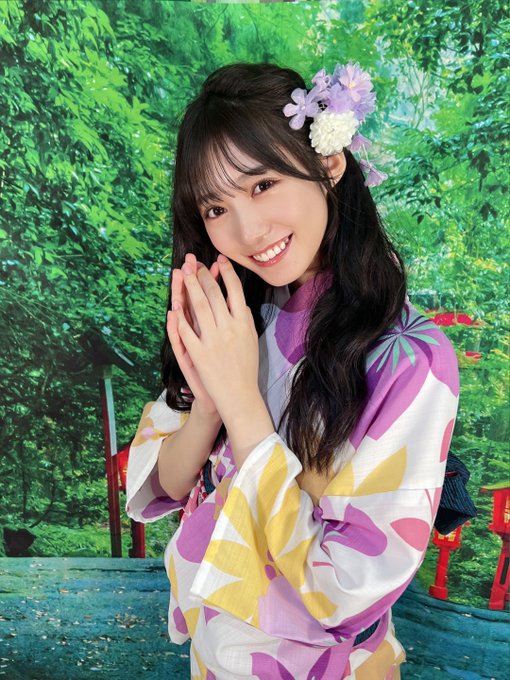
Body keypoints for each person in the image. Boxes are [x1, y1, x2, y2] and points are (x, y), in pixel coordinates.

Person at [126, 62, 459, 679]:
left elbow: (347, 590)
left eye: (262, 184)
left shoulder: (412, 357)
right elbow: (164, 486)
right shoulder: (237, 313)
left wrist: (243, 406)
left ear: (328, 163)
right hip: (214, 656)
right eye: (215, 207)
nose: (247, 231)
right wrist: (209, 406)